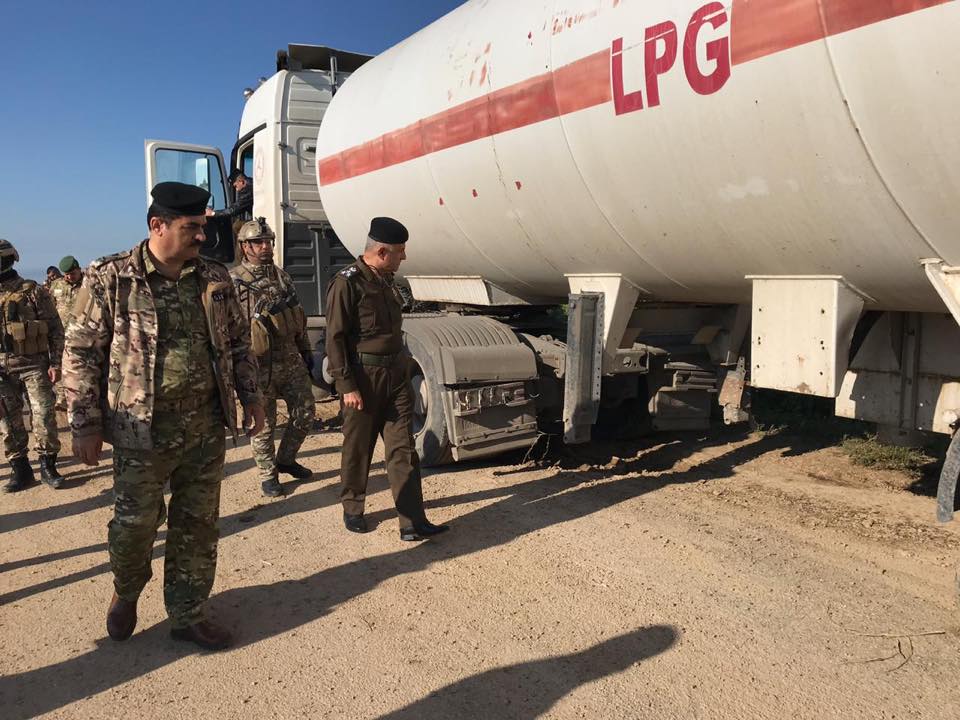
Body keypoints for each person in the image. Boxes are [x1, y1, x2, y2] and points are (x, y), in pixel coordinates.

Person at [61, 182, 265, 650]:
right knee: (134, 526)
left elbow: (237, 341)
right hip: (140, 430)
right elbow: (80, 351)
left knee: (197, 524)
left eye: (202, 227)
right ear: (158, 226)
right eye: (191, 228)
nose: (201, 237)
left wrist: (250, 398)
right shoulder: (111, 276)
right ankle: (127, 589)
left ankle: (187, 614)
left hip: (205, 424)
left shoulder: (215, 277)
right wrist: (84, 424)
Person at [324, 217, 449, 541]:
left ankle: (412, 520)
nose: (403, 257)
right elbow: (334, 338)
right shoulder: (347, 283)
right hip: (363, 380)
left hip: (395, 377)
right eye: (400, 252)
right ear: (381, 251)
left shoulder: (386, 280)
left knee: (403, 450)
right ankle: (353, 508)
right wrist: (346, 386)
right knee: (358, 448)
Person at [230, 218, 315, 497]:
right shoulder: (233, 282)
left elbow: (297, 319)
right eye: (258, 242)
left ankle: (286, 459)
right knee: (263, 424)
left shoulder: (282, 277)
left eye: (268, 241)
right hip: (257, 365)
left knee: (305, 413)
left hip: (290, 360)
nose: (265, 246)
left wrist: (307, 353)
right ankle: (268, 474)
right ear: (245, 247)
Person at [0, 239, 65, 491]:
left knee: (44, 417)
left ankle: (48, 466)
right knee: (8, 422)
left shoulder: (33, 291)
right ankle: (21, 469)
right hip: (2, 370)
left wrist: (56, 362)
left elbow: (56, 328)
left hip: (33, 365)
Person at [208, 169, 253, 236]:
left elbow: (232, 210)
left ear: (242, 182)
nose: (236, 190)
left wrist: (212, 213)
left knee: (237, 226)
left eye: (235, 186)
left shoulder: (247, 191)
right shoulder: (252, 183)